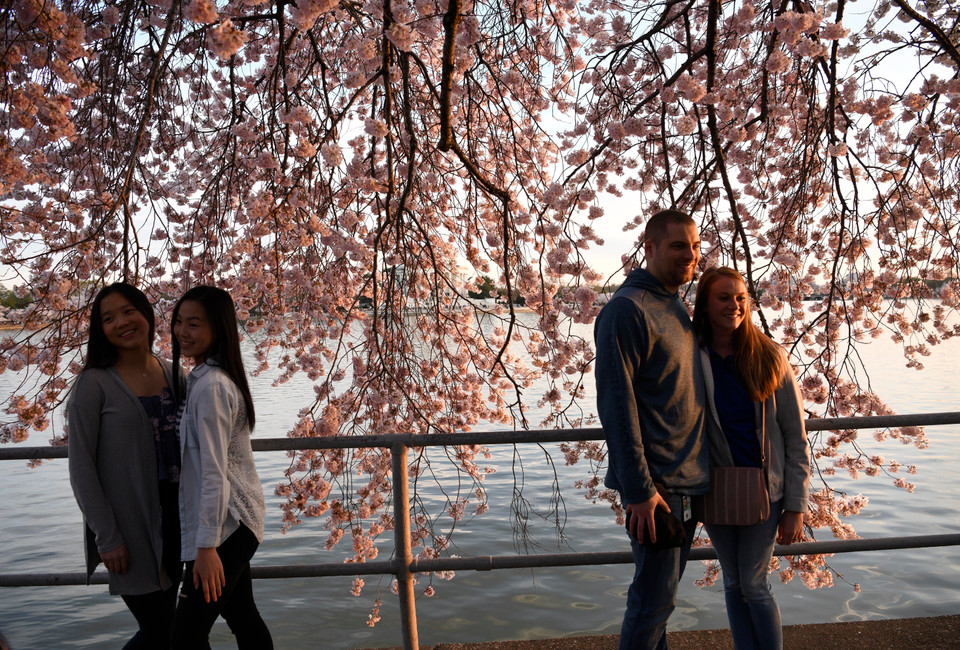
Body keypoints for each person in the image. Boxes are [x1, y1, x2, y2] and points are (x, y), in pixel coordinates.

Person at [594, 209, 709, 649]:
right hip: (658, 487)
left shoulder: (673, 303)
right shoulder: (628, 310)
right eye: (679, 245)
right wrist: (640, 491)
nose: (690, 255)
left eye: (696, 246)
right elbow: (616, 407)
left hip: (688, 480)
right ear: (651, 248)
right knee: (652, 602)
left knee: (660, 603)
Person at [692, 266, 811, 650]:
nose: (734, 305)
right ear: (706, 305)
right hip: (717, 488)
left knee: (754, 583)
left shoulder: (770, 357)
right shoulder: (695, 359)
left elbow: (796, 439)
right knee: (732, 581)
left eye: (740, 297)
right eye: (723, 297)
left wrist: (795, 506)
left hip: (767, 490)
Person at [68, 283, 183, 649]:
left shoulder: (174, 373)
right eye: (108, 318)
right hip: (129, 525)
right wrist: (108, 536)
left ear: (146, 314)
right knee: (161, 628)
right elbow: (81, 467)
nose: (122, 322)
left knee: (176, 630)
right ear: (99, 330)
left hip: (180, 520)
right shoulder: (93, 384)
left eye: (128, 311)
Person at [170, 285, 272, 649]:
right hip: (237, 520)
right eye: (179, 322)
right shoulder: (207, 378)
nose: (182, 332)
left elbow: (213, 470)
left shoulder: (211, 386)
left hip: (228, 525)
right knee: (243, 617)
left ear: (218, 329)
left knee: (185, 635)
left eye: (194, 324)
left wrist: (206, 547)